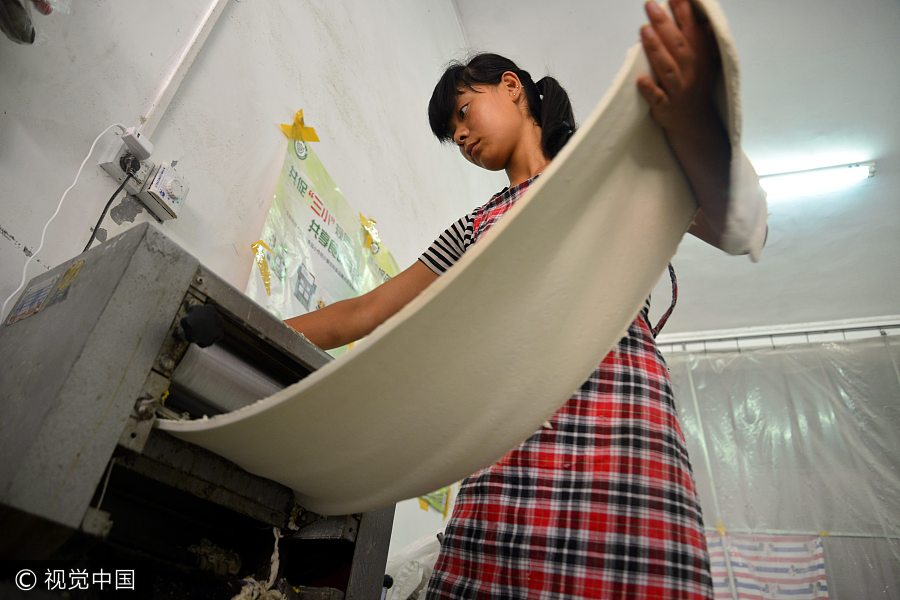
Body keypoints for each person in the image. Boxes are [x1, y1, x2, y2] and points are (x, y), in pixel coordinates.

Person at [287, 1, 761, 597]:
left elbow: (735, 224)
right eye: (452, 136)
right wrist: (253, 324)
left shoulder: (611, 171)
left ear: (512, 87)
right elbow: (364, 313)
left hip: (617, 421)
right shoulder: (472, 228)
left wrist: (693, 129)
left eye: (462, 112)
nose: (460, 136)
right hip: (507, 434)